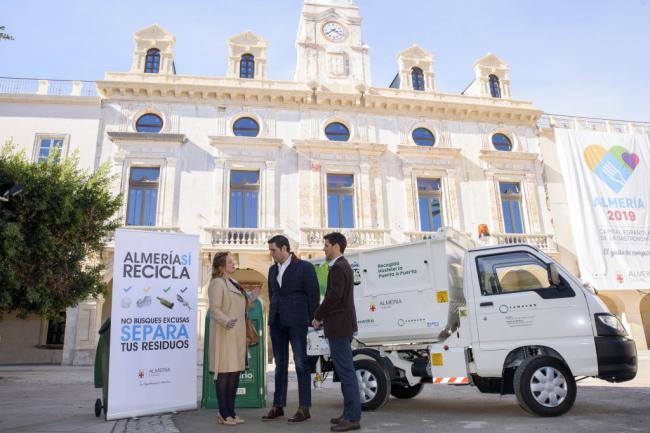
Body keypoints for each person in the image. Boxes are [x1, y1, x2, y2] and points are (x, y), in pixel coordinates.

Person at [262, 235, 320, 423]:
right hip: (277, 322)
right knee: (280, 365)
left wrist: (314, 318)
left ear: (285, 248)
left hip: (297, 321)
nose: (271, 253)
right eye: (270, 250)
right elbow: (273, 295)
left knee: (301, 363)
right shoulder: (272, 270)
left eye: (274, 250)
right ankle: (278, 405)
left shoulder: (305, 267)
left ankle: (304, 408)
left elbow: (313, 295)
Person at [312, 233, 361, 432]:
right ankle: (349, 413)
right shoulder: (343, 266)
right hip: (341, 325)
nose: (324, 249)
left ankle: (352, 418)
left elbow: (333, 296)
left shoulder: (339, 267)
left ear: (336, 246)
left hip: (339, 326)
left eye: (326, 245)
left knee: (346, 373)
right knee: (344, 371)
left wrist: (317, 315)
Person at [208, 251, 260, 426]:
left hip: (238, 334)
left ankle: (231, 412)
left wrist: (252, 297)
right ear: (221, 266)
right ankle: (223, 413)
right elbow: (215, 309)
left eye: (233, 261)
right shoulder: (217, 283)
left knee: (235, 374)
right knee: (224, 373)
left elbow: (244, 306)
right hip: (225, 332)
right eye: (230, 262)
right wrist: (227, 321)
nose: (233, 264)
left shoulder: (234, 282)